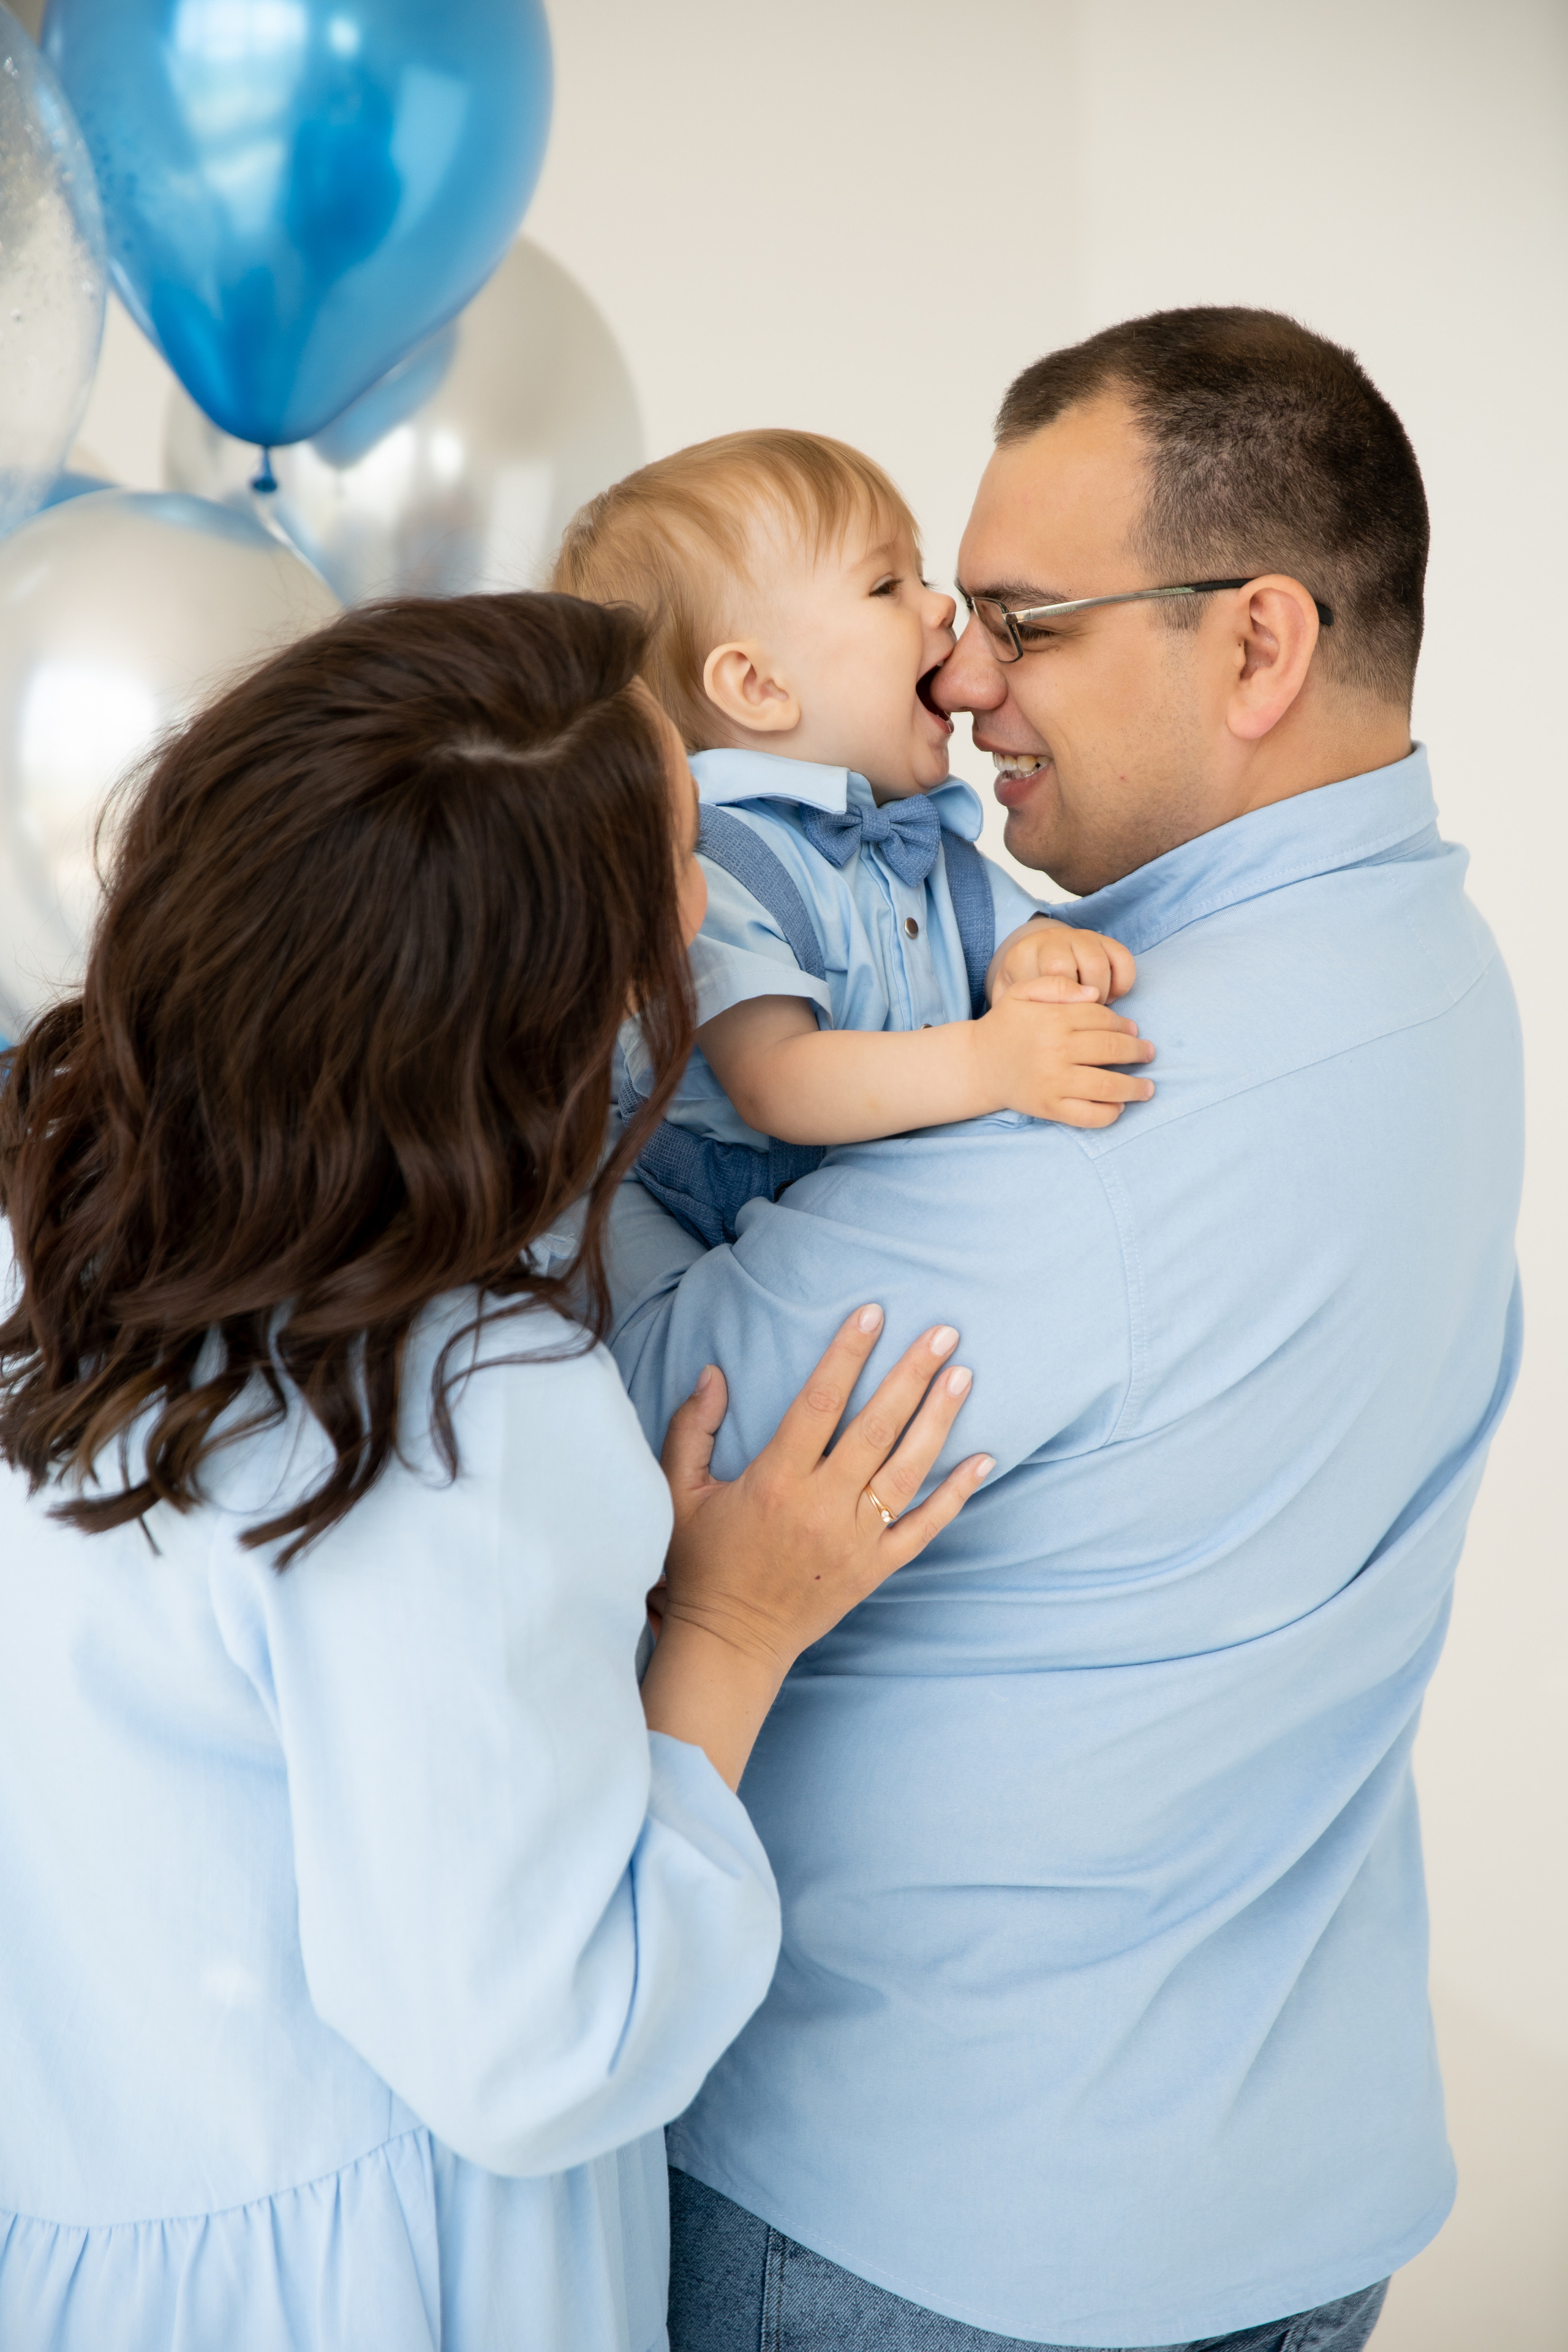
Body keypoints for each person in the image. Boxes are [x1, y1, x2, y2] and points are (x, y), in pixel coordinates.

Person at [606, 309, 1525, 2350]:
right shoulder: (1434, 965)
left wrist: (555, 1164)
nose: (957, 674)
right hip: (1291, 2199)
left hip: (934, 2223)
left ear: (1259, 648)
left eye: (1023, 620)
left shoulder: (1104, 1100)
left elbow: (642, 1438)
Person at [0, 591, 992, 2352]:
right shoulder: (458, 1405)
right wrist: (733, 1630)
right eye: (686, 865)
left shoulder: (56, 1206)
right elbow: (535, 2043)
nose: (718, 909)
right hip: (362, 2288)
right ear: (550, 1001)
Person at [553, 431, 1153, 1248]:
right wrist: (988, 1061)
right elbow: (777, 1083)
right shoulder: (715, 869)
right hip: (701, 1227)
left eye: (921, 575)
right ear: (759, 686)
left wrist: (1040, 961)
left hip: (869, 1217)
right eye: (885, 586)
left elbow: (1012, 937)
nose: (942, 607)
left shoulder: (924, 845)